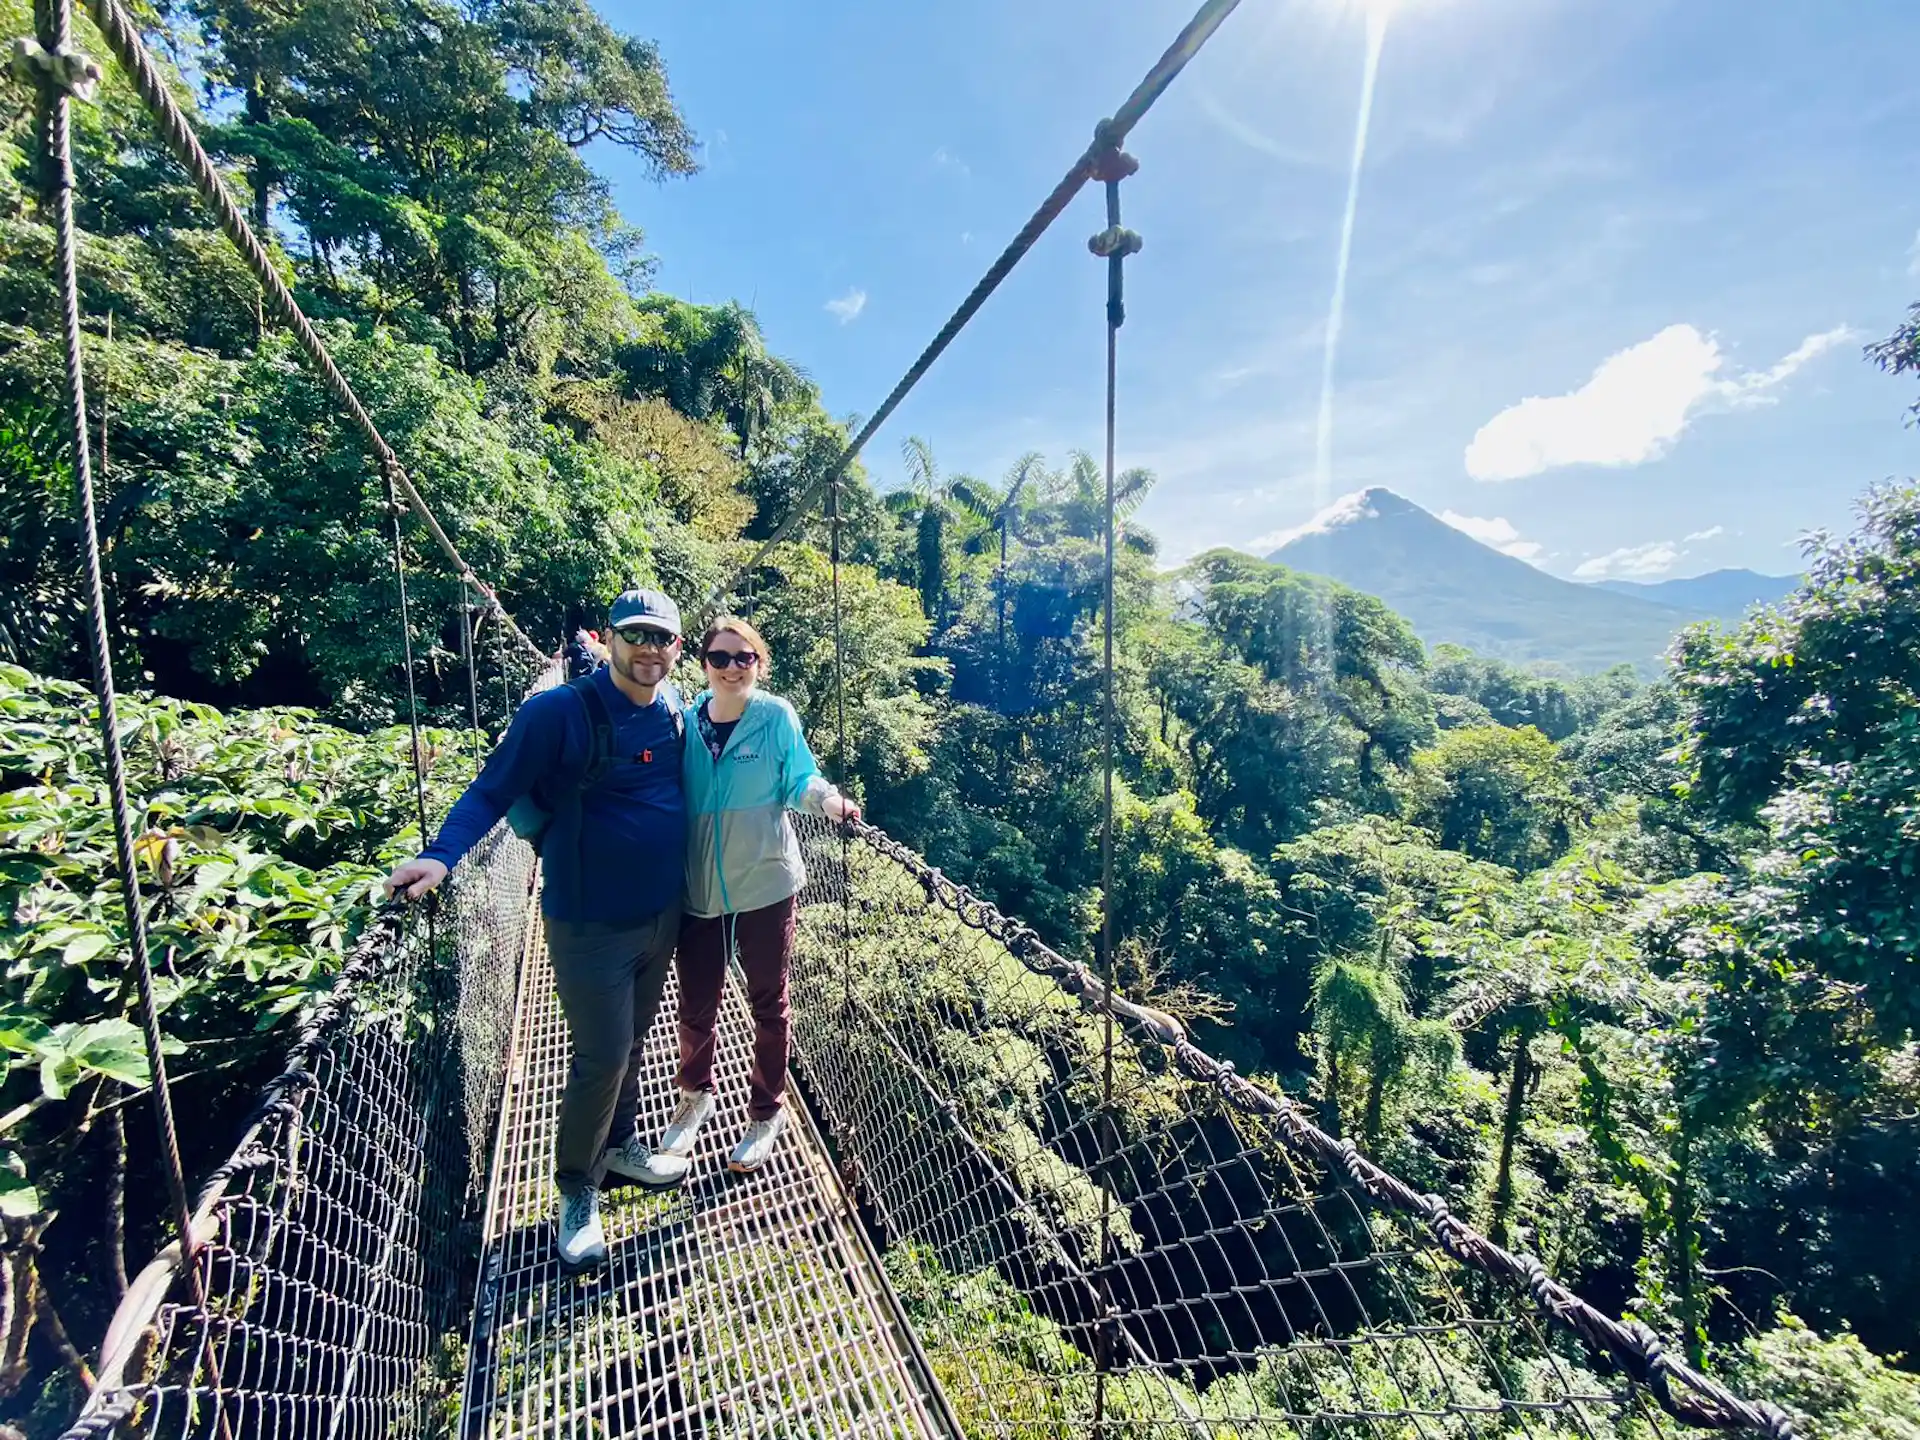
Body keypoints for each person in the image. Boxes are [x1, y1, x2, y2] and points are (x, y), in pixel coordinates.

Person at [384, 587, 689, 1270]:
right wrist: (441, 855)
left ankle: (619, 1145)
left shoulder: (673, 709)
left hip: (662, 913)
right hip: (588, 920)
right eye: (635, 634)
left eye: (662, 637)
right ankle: (577, 1188)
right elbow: (491, 788)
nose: (648, 649)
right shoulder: (556, 712)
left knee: (632, 1042)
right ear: (608, 638)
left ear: (677, 647)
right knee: (601, 1057)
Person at [645, 615, 859, 1180]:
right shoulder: (684, 719)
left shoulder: (775, 716)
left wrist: (829, 801)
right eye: (720, 657)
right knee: (696, 1004)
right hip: (700, 887)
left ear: (759, 665)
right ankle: (694, 1098)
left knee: (769, 1003)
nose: (732, 667)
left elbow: (800, 778)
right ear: (703, 665)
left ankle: (765, 1114)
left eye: (744, 657)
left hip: (766, 883)